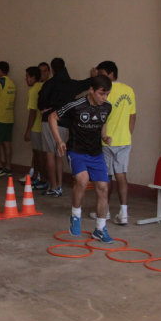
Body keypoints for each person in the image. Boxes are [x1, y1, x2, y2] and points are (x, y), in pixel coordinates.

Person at [49, 75, 114, 243]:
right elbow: (52, 117)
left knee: (103, 188)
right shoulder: (76, 105)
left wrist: (105, 136)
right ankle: (75, 217)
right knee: (83, 180)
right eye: (101, 93)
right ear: (91, 90)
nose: (104, 98)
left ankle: (100, 229)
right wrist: (59, 141)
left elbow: (103, 122)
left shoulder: (107, 107)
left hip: (96, 153)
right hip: (77, 151)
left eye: (107, 94)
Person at [88, 61, 136, 225]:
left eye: (102, 73)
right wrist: (127, 133)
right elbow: (132, 116)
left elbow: (97, 110)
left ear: (110, 73)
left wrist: (93, 80)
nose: (100, 76)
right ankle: (124, 213)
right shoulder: (129, 90)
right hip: (124, 140)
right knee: (121, 175)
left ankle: (105, 211)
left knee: (105, 177)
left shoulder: (105, 90)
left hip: (107, 140)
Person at [38, 58, 90, 197]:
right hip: (65, 123)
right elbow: (86, 84)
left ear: (52, 69)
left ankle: (53, 186)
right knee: (59, 155)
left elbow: (41, 102)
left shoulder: (49, 84)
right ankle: (60, 185)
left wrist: (45, 108)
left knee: (49, 154)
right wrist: (94, 75)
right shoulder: (71, 84)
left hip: (49, 121)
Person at [23, 66, 48, 189]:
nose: (26, 79)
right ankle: (37, 177)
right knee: (39, 155)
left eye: (27, 76)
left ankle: (43, 179)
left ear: (33, 77)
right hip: (43, 126)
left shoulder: (33, 90)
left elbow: (32, 113)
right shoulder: (43, 86)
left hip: (37, 127)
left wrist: (28, 130)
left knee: (39, 156)